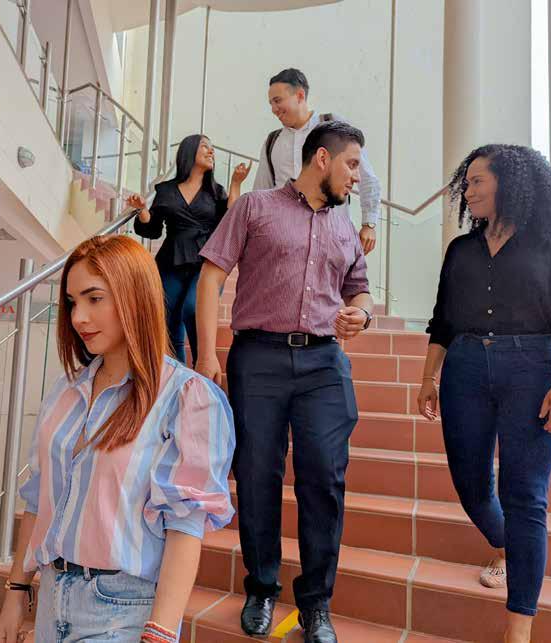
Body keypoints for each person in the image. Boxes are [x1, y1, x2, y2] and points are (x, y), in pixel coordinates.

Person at [0, 235, 236, 643]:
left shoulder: (187, 398)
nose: (79, 318)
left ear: (134, 296)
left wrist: (160, 633)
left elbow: (185, 526)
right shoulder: (66, 390)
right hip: (52, 596)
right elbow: (39, 499)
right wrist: (16, 591)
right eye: (72, 302)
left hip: (123, 610)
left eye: (94, 298)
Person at [196, 121, 375, 643]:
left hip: (324, 365)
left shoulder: (345, 226)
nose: (356, 177)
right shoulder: (255, 207)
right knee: (256, 474)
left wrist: (362, 315)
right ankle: (261, 587)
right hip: (258, 358)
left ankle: (316, 604)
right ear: (322, 158)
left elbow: (360, 289)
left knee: (325, 477)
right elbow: (211, 275)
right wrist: (206, 354)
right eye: (352, 164)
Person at [417, 144, 551, 643]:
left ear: (511, 183)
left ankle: (518, 626)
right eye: (467, 183)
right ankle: (507, 546)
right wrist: (429, 377)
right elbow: (442, 321)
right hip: (464, 368)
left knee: (524, 496)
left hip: (533, 368)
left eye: (478, 181)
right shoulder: (461, 250)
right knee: (471, 487)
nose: (468, 191)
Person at [127, 134, 250, 365]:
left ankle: (203, 364)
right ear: (189, 151)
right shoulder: (166, 190)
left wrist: (236, 184)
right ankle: (176, 376)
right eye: (205, 146)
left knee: (193, 308)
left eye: (212, 148)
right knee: (168, 319)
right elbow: (153, 229)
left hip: (205, 262)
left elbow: (231, 220)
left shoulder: (216, 192)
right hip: (170, 262)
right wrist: (142, 210)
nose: (211, 151)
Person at [252, 68, 382, 255]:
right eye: (271, 103)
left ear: (300, 95)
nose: (273, 109)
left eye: (277, 100)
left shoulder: (334, 127)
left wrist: (369, 223)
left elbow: (366, 176)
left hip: (331, 240)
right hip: (285, 242)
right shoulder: (272, 142)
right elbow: (261, 192)